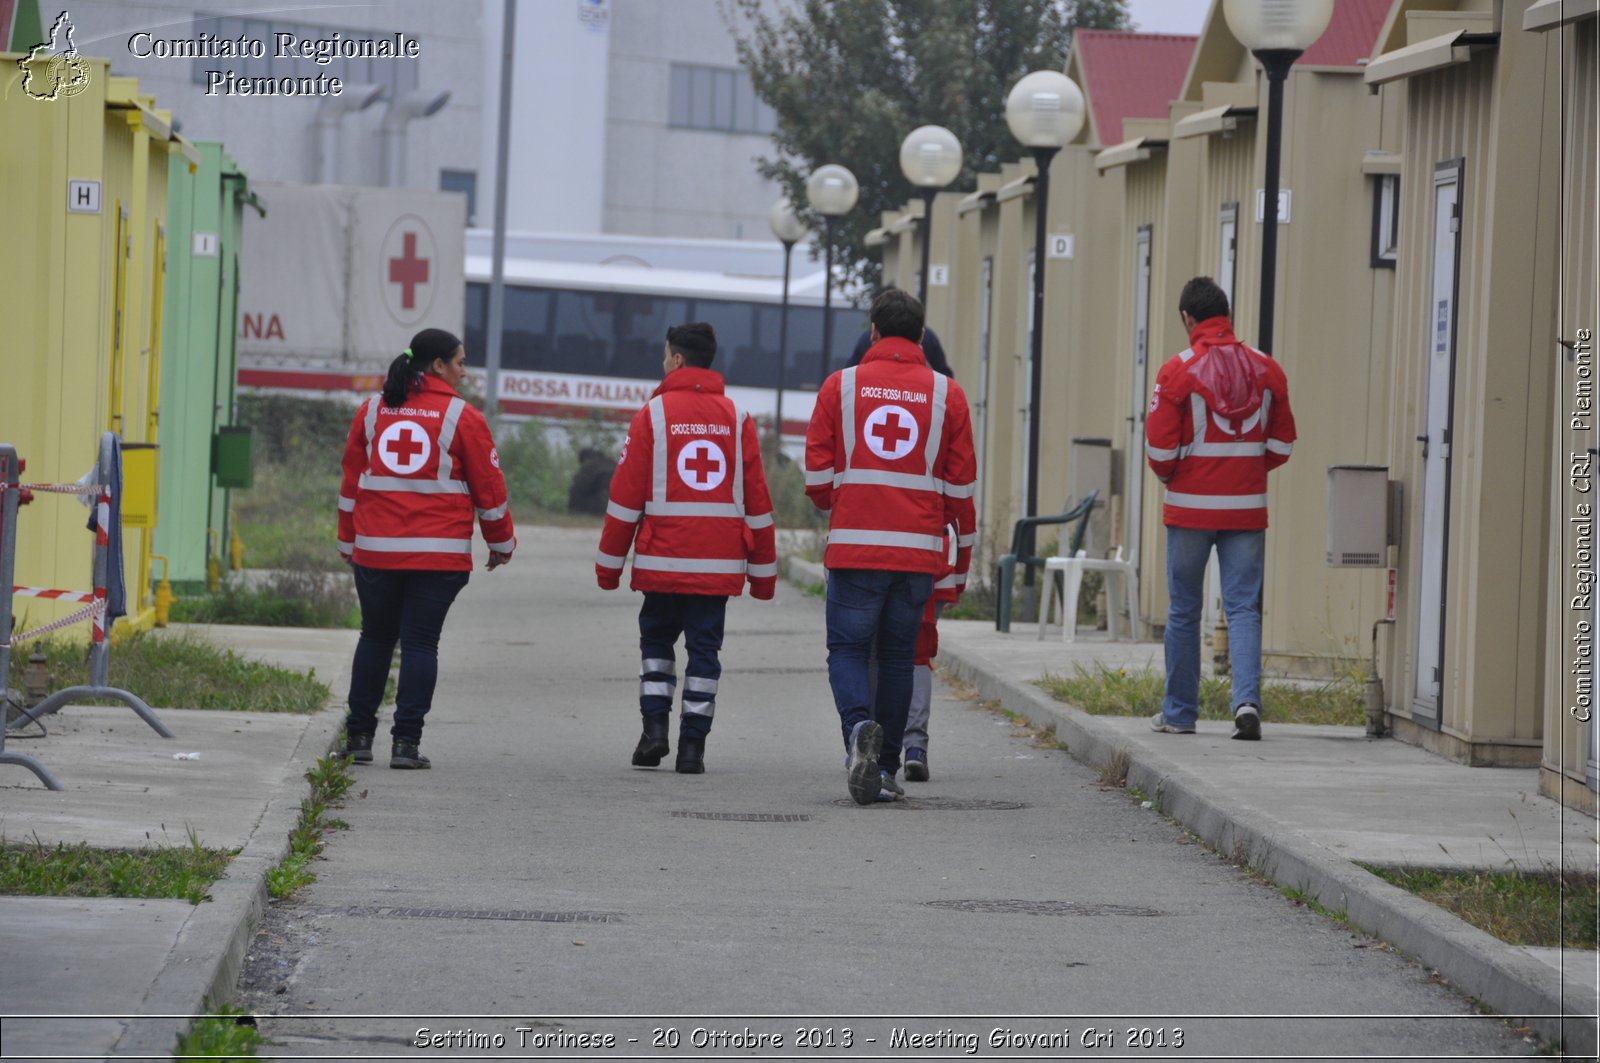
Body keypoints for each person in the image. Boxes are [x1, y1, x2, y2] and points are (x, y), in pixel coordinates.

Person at [806, 289, 976, 804]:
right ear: (921, 335)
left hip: (855, 549)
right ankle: (883, 769)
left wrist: (851, 496)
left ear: (873, 331)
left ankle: (859, 728)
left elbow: (816, 482)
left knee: (848, 649)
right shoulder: (950, 395)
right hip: (916, 554)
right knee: (901, 658)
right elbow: (960, 490)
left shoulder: (841, 387)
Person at [595, 322, 777, 774]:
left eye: (664, 356)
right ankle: (692, 748)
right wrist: (764, 575)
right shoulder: (738, 420)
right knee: (704, 653)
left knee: (656, 643)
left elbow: (625, 497)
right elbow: (758, 501)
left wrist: (609, 565)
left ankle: (655, 731)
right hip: (716, 569)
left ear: (676, 360)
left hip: (663, 561)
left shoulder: (653, 416)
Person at [335, 328, 516, 769]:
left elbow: (351, 483)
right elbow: (488, 489)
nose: (464, 370)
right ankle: (405, 745)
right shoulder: (462, 417)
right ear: (438, 365)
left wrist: (347, 540)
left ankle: (358, 737)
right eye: (460, 362)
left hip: (376, 551)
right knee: (420, 644)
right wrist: (501, 543)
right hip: (437, 556)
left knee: (375, 637)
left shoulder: (372, 411)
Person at [1145, 277, 1295, 740]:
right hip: (1246, 509)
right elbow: (1282, 444)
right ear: (1226, 315)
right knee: (1244, 608)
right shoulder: (1267, 368)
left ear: (1188, 318)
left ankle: (1179, 714)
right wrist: (1245, 473)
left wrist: (1182, 477)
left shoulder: (1177, 371)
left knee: (1185, 610)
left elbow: (1160, 452)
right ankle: (1246, 702)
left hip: (1189, 510)